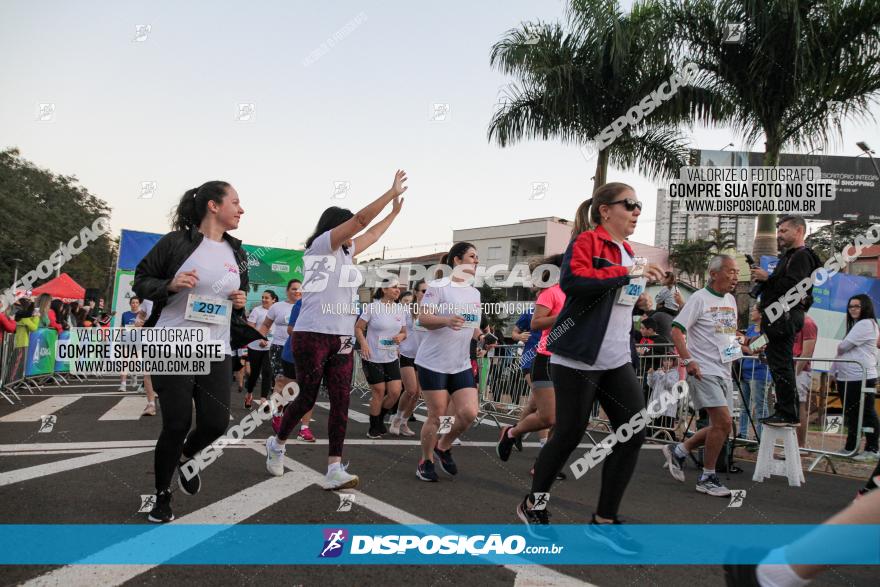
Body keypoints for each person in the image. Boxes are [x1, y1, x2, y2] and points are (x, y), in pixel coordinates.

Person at [516, 183, 665, 550]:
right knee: (569, 432)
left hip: (616, 357)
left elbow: (617, 300)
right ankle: (533, 504)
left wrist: (640, 301)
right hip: (578, 356)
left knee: (633, 433)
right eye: (629, 204)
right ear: (605, 210)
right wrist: (624, 277)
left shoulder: (628, 250)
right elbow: (575, 281)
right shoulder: (586, 242)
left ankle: (604, 520)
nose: (636, 211)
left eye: (638, 205)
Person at [265, 169, 408, 490]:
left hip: (341, 337)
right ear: (335, 226)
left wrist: (395, 213)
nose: (352, 231)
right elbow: (360, 222)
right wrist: (389, 193)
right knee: (305, 398)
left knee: (342, 401)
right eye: (345, 226)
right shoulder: (320, 247)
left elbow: (372, 234)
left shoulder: (346, 253)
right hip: (312, 334)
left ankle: (333, 469)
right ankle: (277, 444)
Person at [133, 180, 261, 523]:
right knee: (176, 423)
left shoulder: (239, 253)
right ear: (213, 206)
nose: (241, 208)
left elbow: (239, 296)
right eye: (236, 201)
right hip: (173, 345)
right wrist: (170, 285)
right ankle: (162, 495)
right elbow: (141, 279)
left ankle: (189, 455)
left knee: (216, 423)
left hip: (216, 349)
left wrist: (238, 302)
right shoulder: (177, 243)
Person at [664, 255, 747, 498]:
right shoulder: (699, 298)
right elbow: (677, 330)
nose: (734, 277)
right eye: (730, 272)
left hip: (724, 371)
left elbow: (726, 338)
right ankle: (707, 476)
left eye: (736, 272)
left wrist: (746, 348)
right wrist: (688, 361)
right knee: (723, 423)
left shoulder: (731, 300)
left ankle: (678, 451)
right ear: (714, 273)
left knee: (720, 426)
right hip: (703, 370)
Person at [414, 242, 482, 482]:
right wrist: (445, 320)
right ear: (456, 260)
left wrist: (482, 336)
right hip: (433, 362)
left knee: (469, 413)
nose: (476, 261)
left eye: (477, 257)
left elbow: (471, 324)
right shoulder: (438, 286)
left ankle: (443, 446)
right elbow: (423, 318)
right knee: (438, 415)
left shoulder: (475, 293)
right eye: (472, 256)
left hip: (460, 362)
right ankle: (425, 461)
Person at [750, 215, 821, 427]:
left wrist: (767, 278)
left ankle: (787, 412)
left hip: (785, 318)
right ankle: (784, 410)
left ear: (799, 231)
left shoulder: (801, 256)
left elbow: (794, 287)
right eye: (778, 231)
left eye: (784, 231)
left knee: (781, 364)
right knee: (779, 363)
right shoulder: (789, 256)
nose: (779, 235)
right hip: (779, 318)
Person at [497, 254, 564, 465]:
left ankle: (544, 461)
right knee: (548, 416)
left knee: (558, 417)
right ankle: (513, 432)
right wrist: (566, 316)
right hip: (541, 359)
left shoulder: (575, 294)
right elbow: (534, 325)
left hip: (569, 361)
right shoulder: (549, 294)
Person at [830, 294, 879, 461]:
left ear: (865, 307)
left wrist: (837, 361)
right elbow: (842, 350)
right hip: (848, 378)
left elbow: (843, 346)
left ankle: (872, 448)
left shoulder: (865, 324)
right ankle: (851, 447)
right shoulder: (859, 325)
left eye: (857, 306)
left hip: (860, 377)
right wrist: (834, 370)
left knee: (865, 412)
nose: (853, 309)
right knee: (853, 414)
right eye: (851, 306)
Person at [356, 279, 406, 438]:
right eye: (394, 287)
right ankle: (373, 426)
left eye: (398, 288)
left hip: (390, 356)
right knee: (379, 391)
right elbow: (358, 327)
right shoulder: (372, 307)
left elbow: (404, 331)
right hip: (372, 356)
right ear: (384, 289)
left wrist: (401, 336)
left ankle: (380, 419)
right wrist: (363, 343)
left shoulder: (400, 309)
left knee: (395, 393)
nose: (397, 290)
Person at [391, 282, 426, 436]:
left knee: (417, 393)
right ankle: (397, 418)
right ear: (416, 292)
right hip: (406, 353)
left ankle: (404, 422)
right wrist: (396, 347)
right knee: (411, 390)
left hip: (423, 356)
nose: (426, 294)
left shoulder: (432, 311)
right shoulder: (406, 310)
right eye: (424, 291)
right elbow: (399, 329)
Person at [738, 305, 772, 440]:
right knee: (743, 406)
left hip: (759, 373)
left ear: (762, 314)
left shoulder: (768, 330)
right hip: (745, 370)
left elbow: (756, 346)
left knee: (759, 406)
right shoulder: (751, 329)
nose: (751, 312)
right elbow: (746, 346)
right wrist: (748, 349)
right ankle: (743, 434)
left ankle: (761, 437)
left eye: (754, 310)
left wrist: (747, 347)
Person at [245, 290, 277, 408]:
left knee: (268, 372)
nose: (263, 299)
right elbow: (250, 328)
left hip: (270, 347)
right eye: (262, 297)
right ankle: (249, 394)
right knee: (254, 373)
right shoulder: (257, 310)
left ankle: (263, 399)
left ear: (274, 299)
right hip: (255, 347)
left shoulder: (276, 310)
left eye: (267, 298)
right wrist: (260, 339)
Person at [793, 314, 818, 446]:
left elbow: (807, 352)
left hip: (800, 371)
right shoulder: (791, 321)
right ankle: (794, 445)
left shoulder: (808, 323)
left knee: (799, 406)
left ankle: (801, 445)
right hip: (789, 369)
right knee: (791, 407)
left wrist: (795, 373)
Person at [135, 299, 158, 416]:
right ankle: (151, 404)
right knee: (147, 372)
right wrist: (138, 321)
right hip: (150, 339)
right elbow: (141, 314)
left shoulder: (178, 296)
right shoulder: (148, 300)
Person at [119, 297, 141, 392]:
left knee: (134, 362)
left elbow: (143, 327)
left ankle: (134, 375)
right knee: (124, 362)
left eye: (136, 302)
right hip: (126, 341)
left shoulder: (142, 315)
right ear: (130, 303)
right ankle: (123, 385)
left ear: (139, 304)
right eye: (133, 302)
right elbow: (122, 327)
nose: (134, 304)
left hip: (137, 341)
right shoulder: (125, 314)